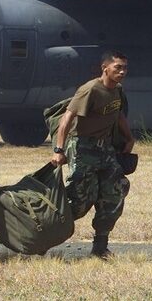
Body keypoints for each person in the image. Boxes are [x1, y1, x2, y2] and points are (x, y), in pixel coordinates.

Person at [51, 50, 135, 259]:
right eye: (118, 67)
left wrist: (129, 138)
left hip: (104, 148)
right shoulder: (90, 90)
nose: (122, 72)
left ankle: (100, 247)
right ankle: (43, 232)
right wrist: (59, 150)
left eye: (125, 68)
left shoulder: (117, 90)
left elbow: (118, 114)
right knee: (80, 201)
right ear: (105, 68)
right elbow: (67, 119)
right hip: (82, 147)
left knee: (115, 191)